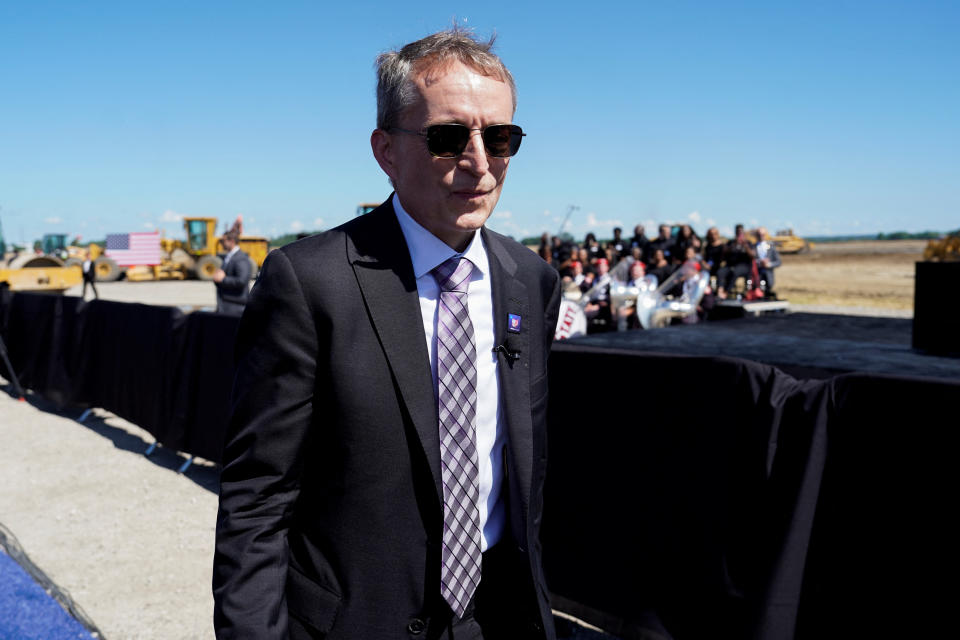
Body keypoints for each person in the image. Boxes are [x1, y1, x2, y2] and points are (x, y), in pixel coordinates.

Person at [213, 28, 561, 640]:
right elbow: (258, 496)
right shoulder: (309, 282)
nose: (479, 162)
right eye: (449, 137)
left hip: (494, 620)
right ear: (385, 151)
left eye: (500, 137)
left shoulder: (530, 281)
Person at [212, 229, 251, 316]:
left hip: (235, 307)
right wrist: (217, 279)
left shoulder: (240, 259)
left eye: (223, 241)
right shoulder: (229, 257)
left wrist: (223, 279)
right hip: (226, 305)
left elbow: (242, 281)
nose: (221, 243)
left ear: (231, 241)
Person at [716, 224, 756, 299]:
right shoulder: (731, 242)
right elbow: (724, 253)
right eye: (737, 232)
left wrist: (745, 245)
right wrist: (733, 244)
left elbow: (752, 256)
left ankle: (726, 292)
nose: (739, 233)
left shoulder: (748, 243)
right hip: (730, 265)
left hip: (744, 266)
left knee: (735, 272)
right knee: (720, 272)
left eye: (741, 232)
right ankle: (720, 291)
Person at [754, 226, 782, 296]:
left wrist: (769, 264)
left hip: (768, 276)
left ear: (766, 235)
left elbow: (778, 262)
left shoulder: (771, 247)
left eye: (762, 234)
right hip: (756, 276)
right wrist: (760, 262)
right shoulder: (753, 247)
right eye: (759, 235)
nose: (761, 236)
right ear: (756, 235)